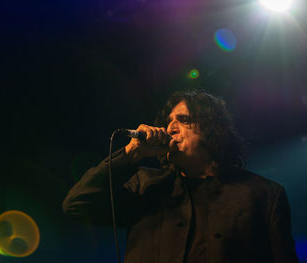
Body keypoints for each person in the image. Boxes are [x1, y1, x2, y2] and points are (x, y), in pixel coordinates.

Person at [62, 89, 299, 263]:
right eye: (168, 122)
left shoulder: (263, 194)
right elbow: (77, 204)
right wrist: (130, 154)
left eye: (183, 120)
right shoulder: (144, 185)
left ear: (211, 129)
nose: (170, 128)